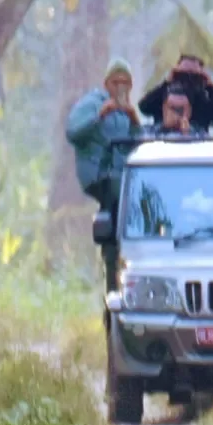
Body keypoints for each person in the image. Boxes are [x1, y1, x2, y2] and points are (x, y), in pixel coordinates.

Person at [65, 57, 140, 289]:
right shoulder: (92, 102)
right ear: (107, 83)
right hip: (99, 175)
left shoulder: (125, 112)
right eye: (116, 82)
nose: (120, 87)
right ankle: (112, 275)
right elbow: (73, 133)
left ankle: (130, 266)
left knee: (129, 212)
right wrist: (99, 115)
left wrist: (134, 120)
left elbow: (138, 146)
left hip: (122, 180)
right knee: (117, 206)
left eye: (125, 83)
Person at [138, 54, 213, 133]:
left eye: (193, 75)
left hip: (196, 147)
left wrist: (209, 86)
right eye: (183, 74)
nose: (188, 79)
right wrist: (167, 82)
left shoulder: (202, 101)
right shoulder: (165, 96)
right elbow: (144, 107)